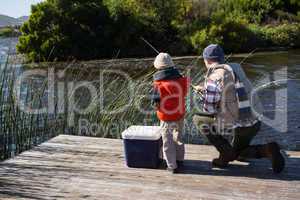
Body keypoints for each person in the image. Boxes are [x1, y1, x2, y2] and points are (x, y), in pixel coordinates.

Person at [193, 44, 285, 173]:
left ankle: (225, 154)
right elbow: (232, 89)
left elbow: (209, 110)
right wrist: (206, 89)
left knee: (199, 119)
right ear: (222, 59)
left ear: (206, 60)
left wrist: (204, 94)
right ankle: (268, 149)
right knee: (240, 153)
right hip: (254, 122)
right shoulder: (236, 68)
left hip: (239, 124)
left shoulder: (213, 79)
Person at [152, 53, 189, 174]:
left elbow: (156, 102)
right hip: (180, 114)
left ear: (158, 68)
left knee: (167, 141)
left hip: (166, 117)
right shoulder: (182, 80)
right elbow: (185, 93)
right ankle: (180, 160)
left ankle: (171, 165)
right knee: (178, 137)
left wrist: (156, 107)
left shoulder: (158, 84)